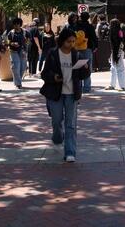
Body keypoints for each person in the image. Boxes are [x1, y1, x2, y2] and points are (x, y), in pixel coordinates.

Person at [40, 27, 90, 163]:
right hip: (55, 92)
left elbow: (82, 76)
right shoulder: (53, 54)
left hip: (71, 93)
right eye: (69, 41)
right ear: (62, 41)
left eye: (73, 42)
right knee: (56, 121)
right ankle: (57, 138)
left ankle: (70, 152)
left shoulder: (77, 55)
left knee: (71, 124)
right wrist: (54, 77)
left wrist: (86, 69)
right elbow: (44, 74)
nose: (71, 44)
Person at [74, 11, 97, 93]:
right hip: (87, 48)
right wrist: (95, 46)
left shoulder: (77, 26)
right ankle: (87, 87)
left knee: (78, 67)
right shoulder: (90, 26)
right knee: (88, 68)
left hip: (77, 48)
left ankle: (78, 87)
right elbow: (94, 37)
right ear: (88, 18)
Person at [6, 18, 28, 89]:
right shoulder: (11, 33)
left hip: (22, 51)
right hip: (13, 51)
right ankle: (18, 84)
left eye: (17, 24)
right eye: (14, 24)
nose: (16, 26)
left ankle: (18, 80)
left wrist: (25, 43)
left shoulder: (24, 32)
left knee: (23, 67)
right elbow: (7, 41)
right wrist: (12, 43)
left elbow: (29, 39)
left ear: (20, 24)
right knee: (16, 66)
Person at [107, 18, 125, 91]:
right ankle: (112, 85)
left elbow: (121, 42)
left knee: (120, 68)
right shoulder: (117, 31)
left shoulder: (118, 31)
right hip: (115, 51)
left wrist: (118, 53)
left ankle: (122, 86)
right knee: (113, 68)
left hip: (118, 51)